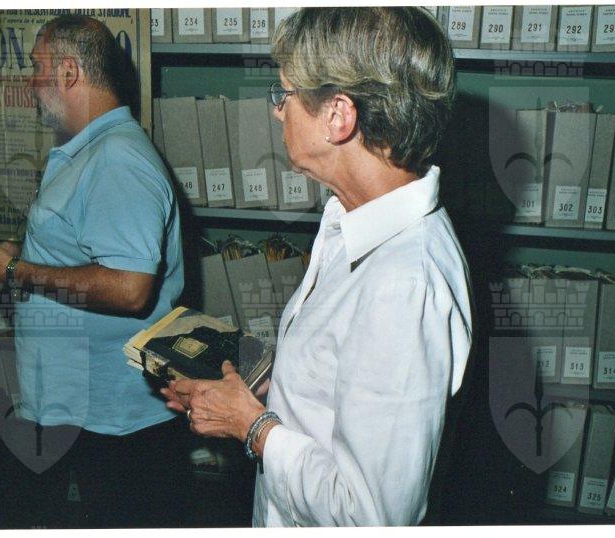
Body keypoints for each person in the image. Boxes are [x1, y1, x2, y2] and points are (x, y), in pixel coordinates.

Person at [162, 7, 472, 527]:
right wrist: (260, 388)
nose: (277, 111)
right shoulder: (350, 218)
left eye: (284, 94)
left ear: (338, 116)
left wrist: (252, 426)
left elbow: (369, 515)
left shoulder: (403, 284)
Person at [0, 15, 186, 527]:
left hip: (115, 419)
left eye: (37, 68)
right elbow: (89, 250)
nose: (31, 83)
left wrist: (15, 269)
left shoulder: (117, 161)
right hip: (83, 407)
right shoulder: (93, 150)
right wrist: (21, 254)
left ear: (68, 72)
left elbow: (130, 289)